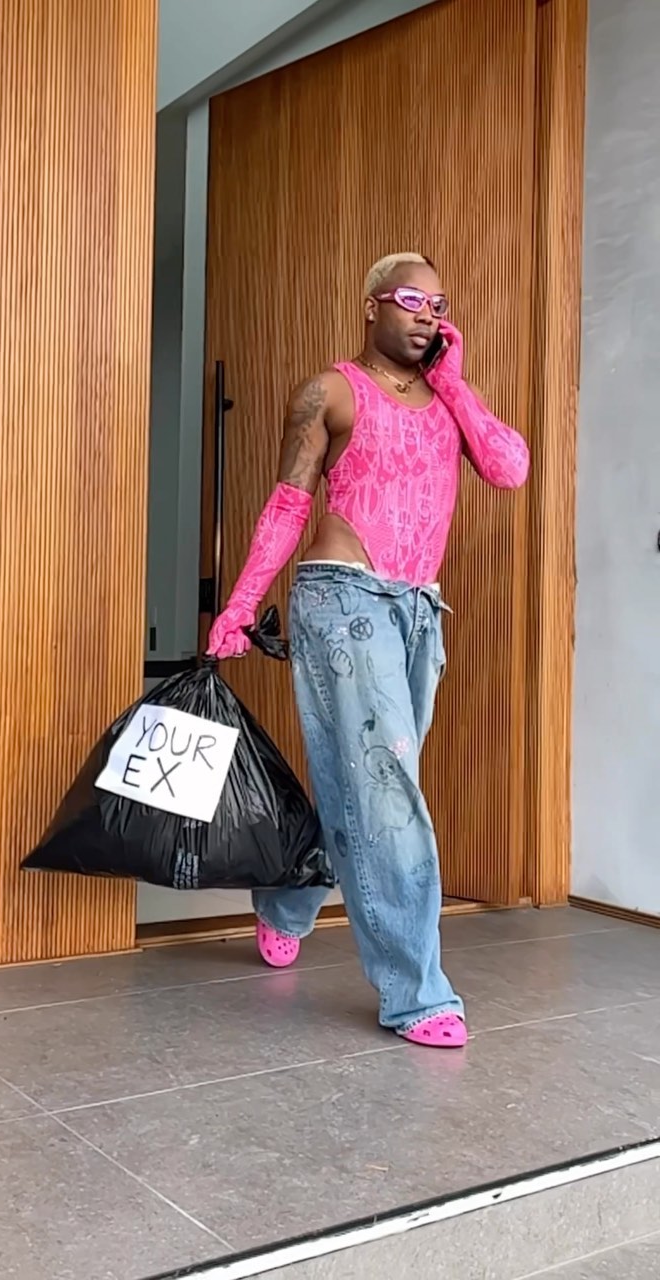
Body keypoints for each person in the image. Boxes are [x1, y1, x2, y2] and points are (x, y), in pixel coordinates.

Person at [207, 252, 529, 1049]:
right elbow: (288, 504)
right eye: (411, 299)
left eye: (438, 305)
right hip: (342, 600)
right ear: (372, 305)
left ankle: (286, 901)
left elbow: (509, 469)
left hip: (418, 610)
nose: (426, 315)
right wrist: (240, 604)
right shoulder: (330, 392)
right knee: (386, 791)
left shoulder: (450, 399)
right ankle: (417, 993)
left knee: (368, 785)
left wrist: (456, 383)